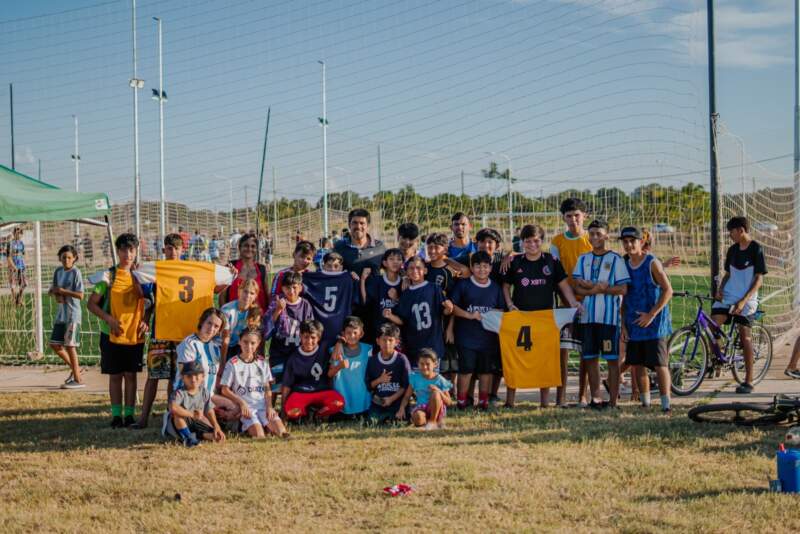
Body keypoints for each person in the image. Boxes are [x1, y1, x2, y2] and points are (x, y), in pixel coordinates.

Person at [502, 224, 582, 408]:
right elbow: (505, 287)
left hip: (546, 318)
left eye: (536, 241)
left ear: (542, 241)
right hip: (521, 317)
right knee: (516, 358)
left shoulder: (551, 261)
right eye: (528, 241)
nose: (532, 244)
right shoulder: (515, 262)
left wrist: (573, 303)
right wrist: (509, 305)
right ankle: (509, 401)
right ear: (522, 243)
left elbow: (563, 285)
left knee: (545, 361)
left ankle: (545, 402)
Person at [87, 233, 149, 427]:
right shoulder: (108, 276)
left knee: (131, 375)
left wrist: (146, 320)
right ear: (118, 251)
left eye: (131, 250)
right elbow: (91, 304)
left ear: (136, 251)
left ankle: (129, 415)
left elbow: (152, 303)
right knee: (115, 376)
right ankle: (116, 416)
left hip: (134, 336)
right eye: (124, 250)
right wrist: (109, 319)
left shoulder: (142, 276)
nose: (128, 254)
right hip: (111, 334)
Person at [573, 220, 630, 409]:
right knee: (590, 358)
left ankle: (613, 402)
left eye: (599, 234)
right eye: (592, 234)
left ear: (606, 236)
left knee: (612, 359)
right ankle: (596, 399)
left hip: (609, 320)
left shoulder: (616, 259)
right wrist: (596, 287)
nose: (594, 237)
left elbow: (623, 289)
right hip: (587, 318)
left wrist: (599, 288)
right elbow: (577, 287)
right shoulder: (583, 259)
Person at [619, 227, 673, 413]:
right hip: (634, 323)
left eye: (632, 241)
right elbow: (624, 298)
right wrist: (623, 324)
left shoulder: (652, 263)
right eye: (625, 241)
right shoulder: (623, 264)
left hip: (654, 323)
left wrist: (652, 314)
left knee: (660, 364)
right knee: (637, 364)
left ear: (641, 242)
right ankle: (646, 402)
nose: (628, 245)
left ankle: (666, 404)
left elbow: (668, 290)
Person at [712, 216, 767, 394]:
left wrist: (743, 300)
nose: (730, 235)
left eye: (731, 232)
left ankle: (749, 380)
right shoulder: (733, 250)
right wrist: (720, 289)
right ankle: (719, 358)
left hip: (747, 298)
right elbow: (728, 274)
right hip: (729, 295)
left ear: (741, 230)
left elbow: (759, 279)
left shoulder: (756, 248)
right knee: (711, 325)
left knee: (745, 337)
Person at [447, 251, 505, 410]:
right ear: (471, 268)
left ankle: (483, 402)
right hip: (466, 337)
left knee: (486, 371)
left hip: (488, 338)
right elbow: (452, 307)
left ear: (490, 268)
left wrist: (490, 314)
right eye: (478, 266)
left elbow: (502, 310)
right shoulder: (464, 285)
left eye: (485, 266)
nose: (481, 270)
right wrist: (469, 315)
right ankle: (461, 402)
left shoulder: (495, 287)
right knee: (466, 370)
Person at [550, 197, 592, 407]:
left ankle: (583, 396)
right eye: (569, 216)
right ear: (563, 218)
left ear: (584, 216)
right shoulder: (557, 242)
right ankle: (561, 396)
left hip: (590, 302)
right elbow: (557, 275)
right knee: (562, 351)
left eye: (577, 215)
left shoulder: (592, 239)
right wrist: (569, 299)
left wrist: (586, 296)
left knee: (587, 350)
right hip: (565, 302)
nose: (573, 219)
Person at [383, 256, 454, 369]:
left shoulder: (434, 288)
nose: (415, 271)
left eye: (418, 267)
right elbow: (402, 320)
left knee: (431, 380)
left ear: (425, 270)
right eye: (411, 268)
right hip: (414, 345)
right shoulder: (406, 294)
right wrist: (390, 316)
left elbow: (443, 312)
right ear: (406, 271)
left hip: (433, 344)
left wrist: (449, 309)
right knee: (416, 382)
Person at [173, 307, 240, 422]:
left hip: (209, 397)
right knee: (208, 427)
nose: (211, 328)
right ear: (202, 322)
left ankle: (219, 420)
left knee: (237, 409)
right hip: (189, 397)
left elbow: (215, 379)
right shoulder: (189, 344)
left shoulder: (214, 348)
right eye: (209, 323)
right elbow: (188, 380)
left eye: (216, 326)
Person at [220, 327, 289, 438]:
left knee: (282, 432)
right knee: (259, 435)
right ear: (239, 341)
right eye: (245, 342)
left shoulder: (262, 362)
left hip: (262, 406)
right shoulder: (232, 363)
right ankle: (247, 426)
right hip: (247, 408)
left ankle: (267, 425)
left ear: (258, 343)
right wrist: (241, 402)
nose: (249, 346)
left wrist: (270, 406)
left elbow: (267, 387)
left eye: (253, 343)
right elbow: (224, 389)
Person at [280, 320, 344, 421]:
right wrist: (283, 409)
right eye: (306, 337)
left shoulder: (324, 347)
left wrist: (340, 342)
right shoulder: (293, 357)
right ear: (300, 336)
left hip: (322, 390)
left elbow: (340, 337)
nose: (309, 341)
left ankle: (317, 414)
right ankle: (305, 414)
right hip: (301, 392)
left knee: (339, 402)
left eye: (313, 337)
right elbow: (286, 386)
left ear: (319, 337)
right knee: (292, 411)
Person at [263, 271, 315, 384]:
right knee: (276, 385)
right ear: (282, 288)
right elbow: (266, 331)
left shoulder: (305, 305)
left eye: (294, 287)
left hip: (298, 353)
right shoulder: (276, 303)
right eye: (287, 288)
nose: (291, 291)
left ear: (300, 288)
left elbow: (311, 330)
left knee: (295, 385)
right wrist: (278, 310)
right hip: (279, 353)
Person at [163, 360, 226, 447]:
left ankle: (197, 436)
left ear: (203, 377)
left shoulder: (204, 392)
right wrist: (192, 414)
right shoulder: (180, 393)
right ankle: (188, 438)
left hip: (195, 422)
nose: (193, 379)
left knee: (217, 437)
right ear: (182, 378)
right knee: (178, 415)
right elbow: (173, 407)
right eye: (189, 376)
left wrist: (216, 426)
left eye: (196, 375)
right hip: (178, 425)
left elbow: (209, 411)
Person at [48, 244, 85, 389]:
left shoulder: (76, 273)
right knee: (54, 344)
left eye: (69, 257)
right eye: (63, 257)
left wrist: (63, 291)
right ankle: (76, 369)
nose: (66, 260)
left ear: (74, 258)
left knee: (70, 346)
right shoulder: (58, 271)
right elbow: (54, 290)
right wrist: (55, 293)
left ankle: (78, 379)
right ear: (59, 258)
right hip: (61, 314)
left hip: (72, 315)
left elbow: (80, 295)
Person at [365, 323, 411, 424]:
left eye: (390, 340)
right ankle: (384, 418)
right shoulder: (372, 361)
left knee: (398, 420)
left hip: (396, 401)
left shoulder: (402, 359)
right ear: (378, 341)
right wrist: (379, 380)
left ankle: (392, 418)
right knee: (371, 422)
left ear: (397, 342)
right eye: (384, 340)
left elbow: (406, 386)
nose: (387, 343)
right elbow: (369, 386)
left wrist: (391, 399)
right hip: (379, 403)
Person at [328, 316, 372, 418]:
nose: (352, 336)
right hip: (343, 403)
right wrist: (339, 366)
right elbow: (330, 374)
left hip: (364, 403)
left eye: (355, 333)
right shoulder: (336, 350)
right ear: (343, 334)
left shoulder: (368, 350)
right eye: (348, 333)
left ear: (361, 334)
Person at [360, 248, 404, 349]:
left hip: (397, 335)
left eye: (398, 259)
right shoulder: (376, 281)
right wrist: (362, 280)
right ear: (385, 262)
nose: (395, 262)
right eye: (391, 259)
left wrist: (396, 298)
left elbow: (406, 310)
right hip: (378, 332)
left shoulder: (404, 283)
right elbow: (365, 300)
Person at [400, 348, 453, 430]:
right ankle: (431, 422)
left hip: (437, 408)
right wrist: (402, 408)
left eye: (428, 364)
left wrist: (439, 391)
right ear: (418, 364)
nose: (424, 367)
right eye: (422, 364)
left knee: (435, 394)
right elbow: (407, 396)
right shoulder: (415, 378)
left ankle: (433, 421)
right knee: (418, 418)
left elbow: (449, 402)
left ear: (435, 364)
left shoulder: (439, 379)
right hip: (421, 408)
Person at [220, 232, 270, 310]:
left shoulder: (262, 269)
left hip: (258, 317)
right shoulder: (230, 267)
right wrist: (224, 316)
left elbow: (267, 294)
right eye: (246, 245)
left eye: (253, 246)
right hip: (234, 317)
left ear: (256, 249)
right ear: (240, 247)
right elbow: (222, 295)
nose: (249, 249)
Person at [333, 208, 386, 277]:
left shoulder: (380, 247)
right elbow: (330, 271)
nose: (358, 226)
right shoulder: (339, 247)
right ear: (349, 225)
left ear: (368, 226)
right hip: (349, 288)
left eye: (362, 223)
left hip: (374, 288)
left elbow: (391, 270)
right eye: (355, 223)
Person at [220, 279, 262, 362]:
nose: (247, 295)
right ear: (239, 291)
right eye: (245, 291)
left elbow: (253, 337)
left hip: (241, 345)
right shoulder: (227, 309)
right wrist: (223, 362)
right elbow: (225, 339)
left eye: (252, 293)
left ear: (255, 296)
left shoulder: (255, 311)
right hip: (224, 346)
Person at [8, 227, 26, 306]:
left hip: (21, 267)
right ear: (14, 233)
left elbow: (23, 254)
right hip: (13, 267)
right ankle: (16, 300)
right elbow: (8, 257)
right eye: (17, 233)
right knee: (13, 285)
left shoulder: (21, 243)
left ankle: (18, 299)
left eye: (20, 233)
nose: (19, 234)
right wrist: (14, 266)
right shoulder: (10, 243)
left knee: (24, 284)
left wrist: (24, 263)